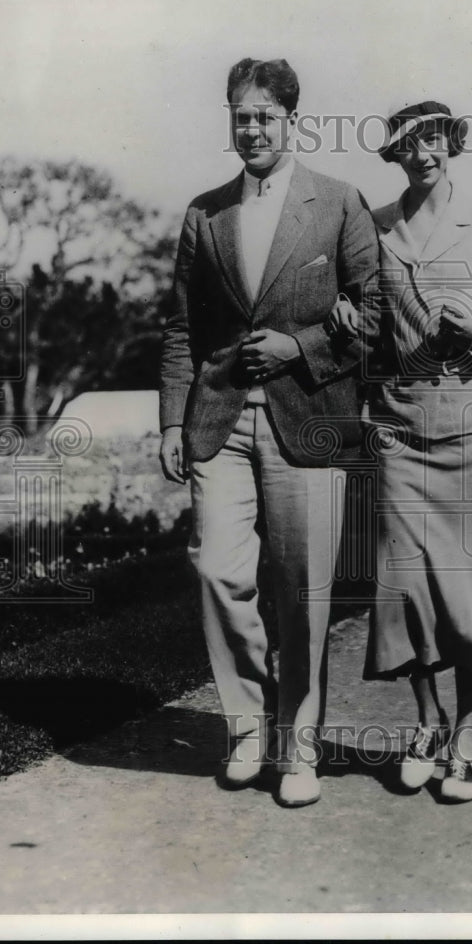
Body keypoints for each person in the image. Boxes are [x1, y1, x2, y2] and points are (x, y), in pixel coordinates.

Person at [159, 58, 378, 808]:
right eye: (238, 115)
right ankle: (246, 728)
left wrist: (301, 347)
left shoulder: (339, 204)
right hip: (219, 421)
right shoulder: (204, 212)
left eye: (263, 116)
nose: (249, 128)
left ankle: (300, 742)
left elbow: (374, 320)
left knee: (303, 589)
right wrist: (170, 420)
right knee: (218, 569)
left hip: (308, 421)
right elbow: (181, 330)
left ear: (292, 120)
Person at [328, 98, 472, 803]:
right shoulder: (375, 227)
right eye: (410, 144)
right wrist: (345, 322)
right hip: (399, 427)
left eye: (434, 140)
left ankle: (463, 740)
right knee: (408, 586)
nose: (425, 153)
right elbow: (370, 326)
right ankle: (425, 725)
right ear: (393, 156)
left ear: (448, 143)